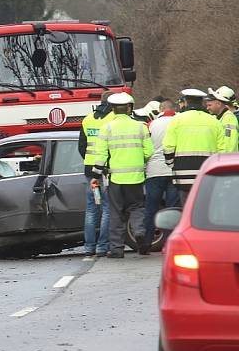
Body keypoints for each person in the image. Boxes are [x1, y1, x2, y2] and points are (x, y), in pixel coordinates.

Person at [92, 92, 153, 258]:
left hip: (116, 180)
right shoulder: (141, 126)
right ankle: (139, 231)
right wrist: (140, 162)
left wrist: (96, 174)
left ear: (112, 109)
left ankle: (117, 249)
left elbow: (101, 154)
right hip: (136, 178)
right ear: (129, 108)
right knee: (137, 208)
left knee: (116, 213)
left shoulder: (107, 128)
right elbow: (149, 151)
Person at [163, 89, 224, 204]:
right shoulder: (215, 121)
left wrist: (171, 164)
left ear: (185, 102)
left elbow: (168, 146)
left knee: (187, 207)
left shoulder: (176, 120)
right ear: (202, 102)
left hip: (183, 173)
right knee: (205, 206)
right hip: (207, 173)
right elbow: (222, 149)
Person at [78, 91, 114, 258]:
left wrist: (90, 161)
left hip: (90, 170)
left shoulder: (88, 119)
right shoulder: (113, 119)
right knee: (107, 208)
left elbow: (81, 146)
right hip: (106, 170)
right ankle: (102, 246)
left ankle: (89, 247)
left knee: (92, 209)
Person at [142, 98, 181, 251]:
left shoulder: (151, 124)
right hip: (173, 170)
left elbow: (147, 147)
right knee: (173, 209)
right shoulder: (179, 123)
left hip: (154, 171)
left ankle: (146, 243)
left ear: (160, 109)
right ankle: (171, 244)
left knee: (151, 207)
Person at [206, 86, 239, 153]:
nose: (207, 108)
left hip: (227, 160)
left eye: (210, 105)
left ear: (218, 104)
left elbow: (229, 145)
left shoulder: (229, 118)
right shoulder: (221, 117)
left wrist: (223, 160)